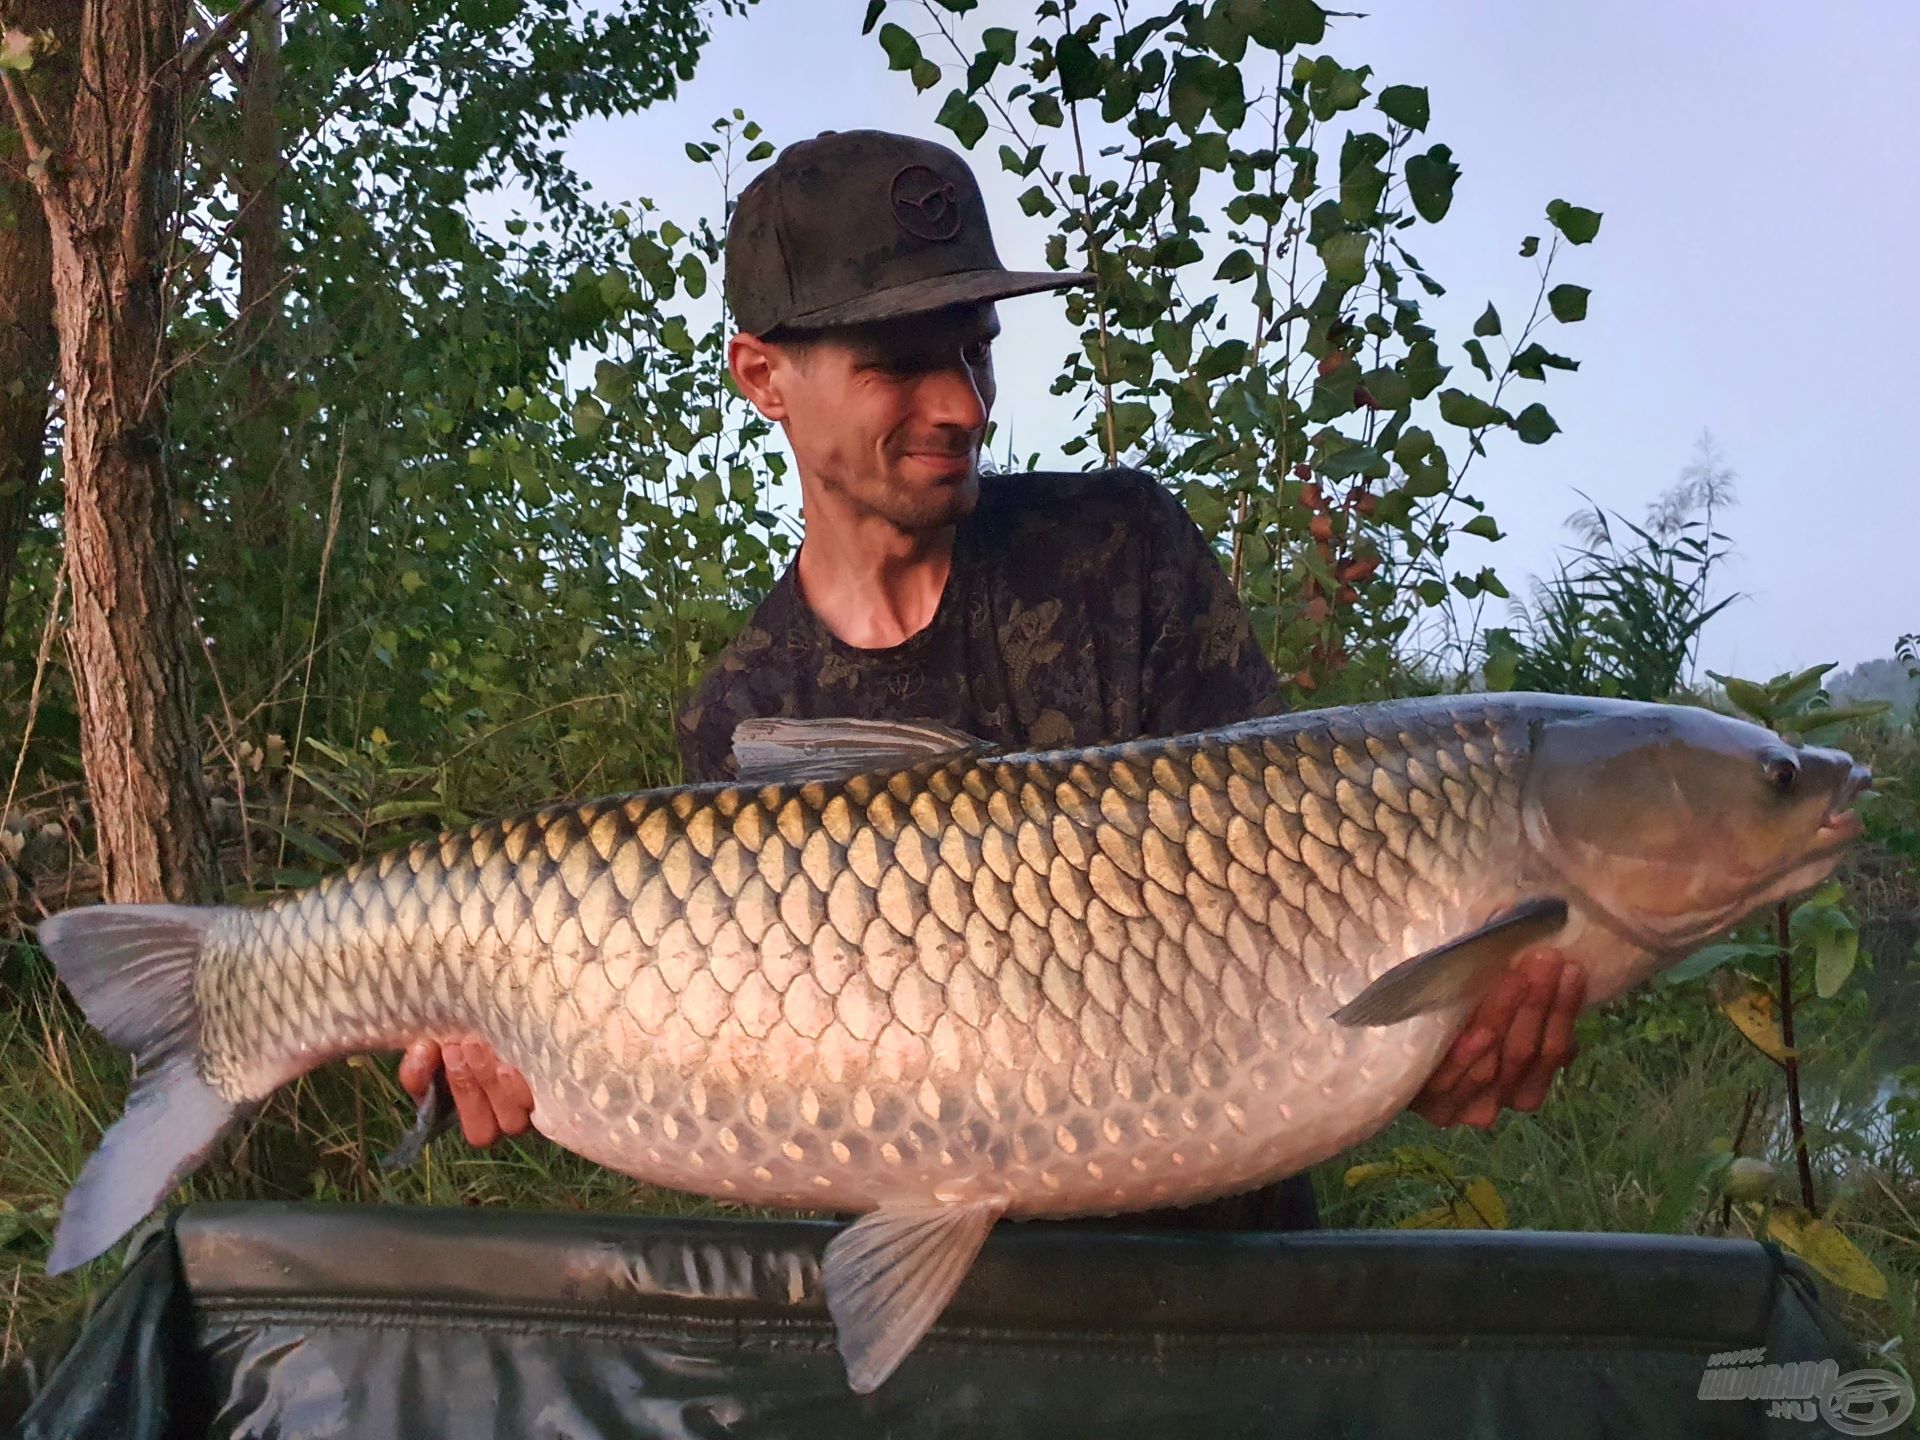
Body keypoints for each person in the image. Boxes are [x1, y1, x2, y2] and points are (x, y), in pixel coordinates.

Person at [399, 130, 1584, 1227]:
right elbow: (755, 1055)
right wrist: (521, 1051)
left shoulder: (1121, 546)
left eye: (977, 350)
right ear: (762, 375)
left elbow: (1300, 913)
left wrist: (1428, 1038)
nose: (963, 405)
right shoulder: (746, 709)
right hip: (957, 1298)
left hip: (1227, 1275)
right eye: (900, 365)